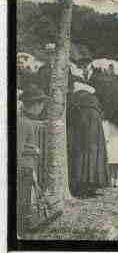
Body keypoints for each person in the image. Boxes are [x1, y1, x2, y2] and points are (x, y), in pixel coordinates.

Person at [92, 63, 118, 187]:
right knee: (115, 152)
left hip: (102, 121)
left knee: (108, 152)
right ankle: (115, 180)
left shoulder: (102, 84)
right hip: (114, 124)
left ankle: (107, 179)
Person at [17, 86, 50, 233]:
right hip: (23, 168)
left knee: (27, 199)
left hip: (28, 167)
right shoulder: (24, 123)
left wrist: (32, 150)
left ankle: (25, 225)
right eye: (42, 104)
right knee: (23, 200)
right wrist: (34, 150)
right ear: (35, 105)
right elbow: (17, 149)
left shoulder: (26, 121)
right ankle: (22, 229)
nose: (43, 107)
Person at [69, 82, 110, 197]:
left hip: (80, 124)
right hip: (94, 124)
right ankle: (92, 183)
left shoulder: (74, 99)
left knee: (80, 152)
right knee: (94, 151)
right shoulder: (93, 99)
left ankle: (79, 183)